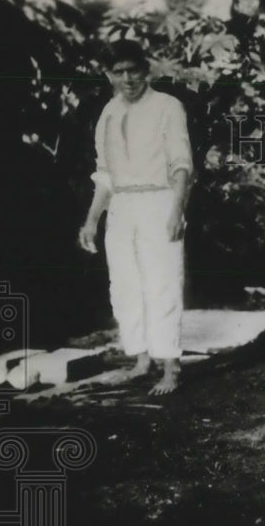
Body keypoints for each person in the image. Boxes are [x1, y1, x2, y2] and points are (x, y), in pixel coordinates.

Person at [78, 40, 194, 395]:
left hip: (159, 200)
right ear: (109, 75)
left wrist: (177, 210)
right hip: (122, 207)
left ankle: (170, 368)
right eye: (119, 72)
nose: (127, 78)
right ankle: (141, 360)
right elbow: (105, 174)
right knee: (126, 286)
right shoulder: (108, 113)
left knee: (162, 282)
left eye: (134, 70)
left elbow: (181, 164)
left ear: (147, 70)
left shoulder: (167, 107)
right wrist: (91, 220)